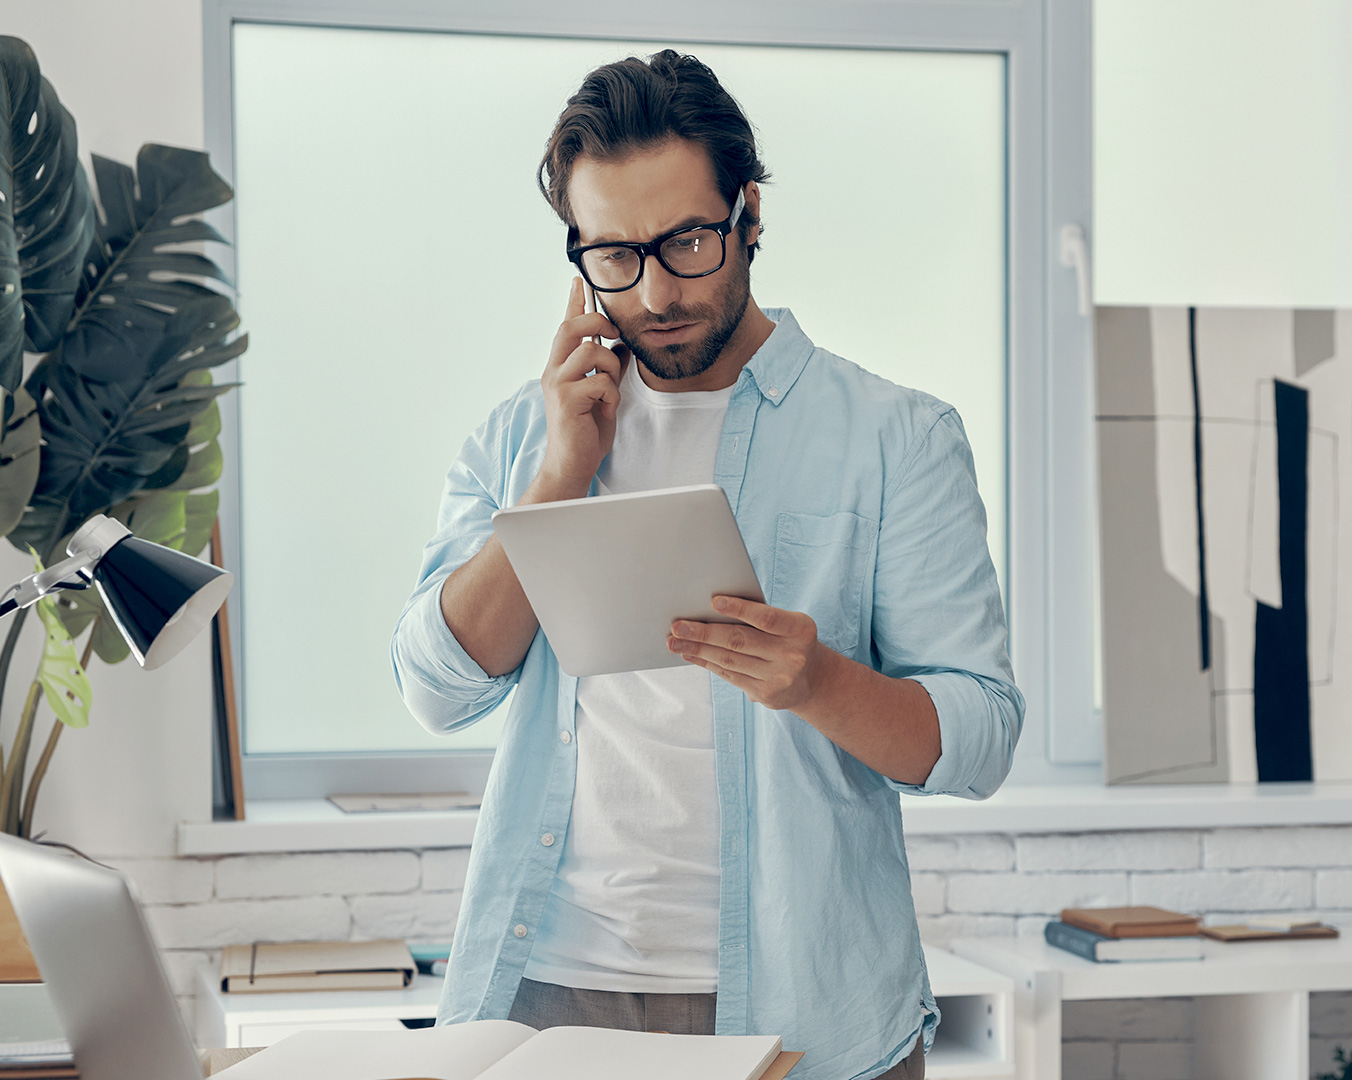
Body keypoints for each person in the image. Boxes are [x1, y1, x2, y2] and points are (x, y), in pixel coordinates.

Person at [390, 50, 1021, 1080]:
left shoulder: (895, 438)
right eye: (614, 255)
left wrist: (820, 683)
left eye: (687, 241)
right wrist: (557, 475)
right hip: (549, 984)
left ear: (750, 213)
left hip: (803, 1002)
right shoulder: (524, 436)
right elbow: (434, 689)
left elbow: (981, 737)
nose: (655, 292)